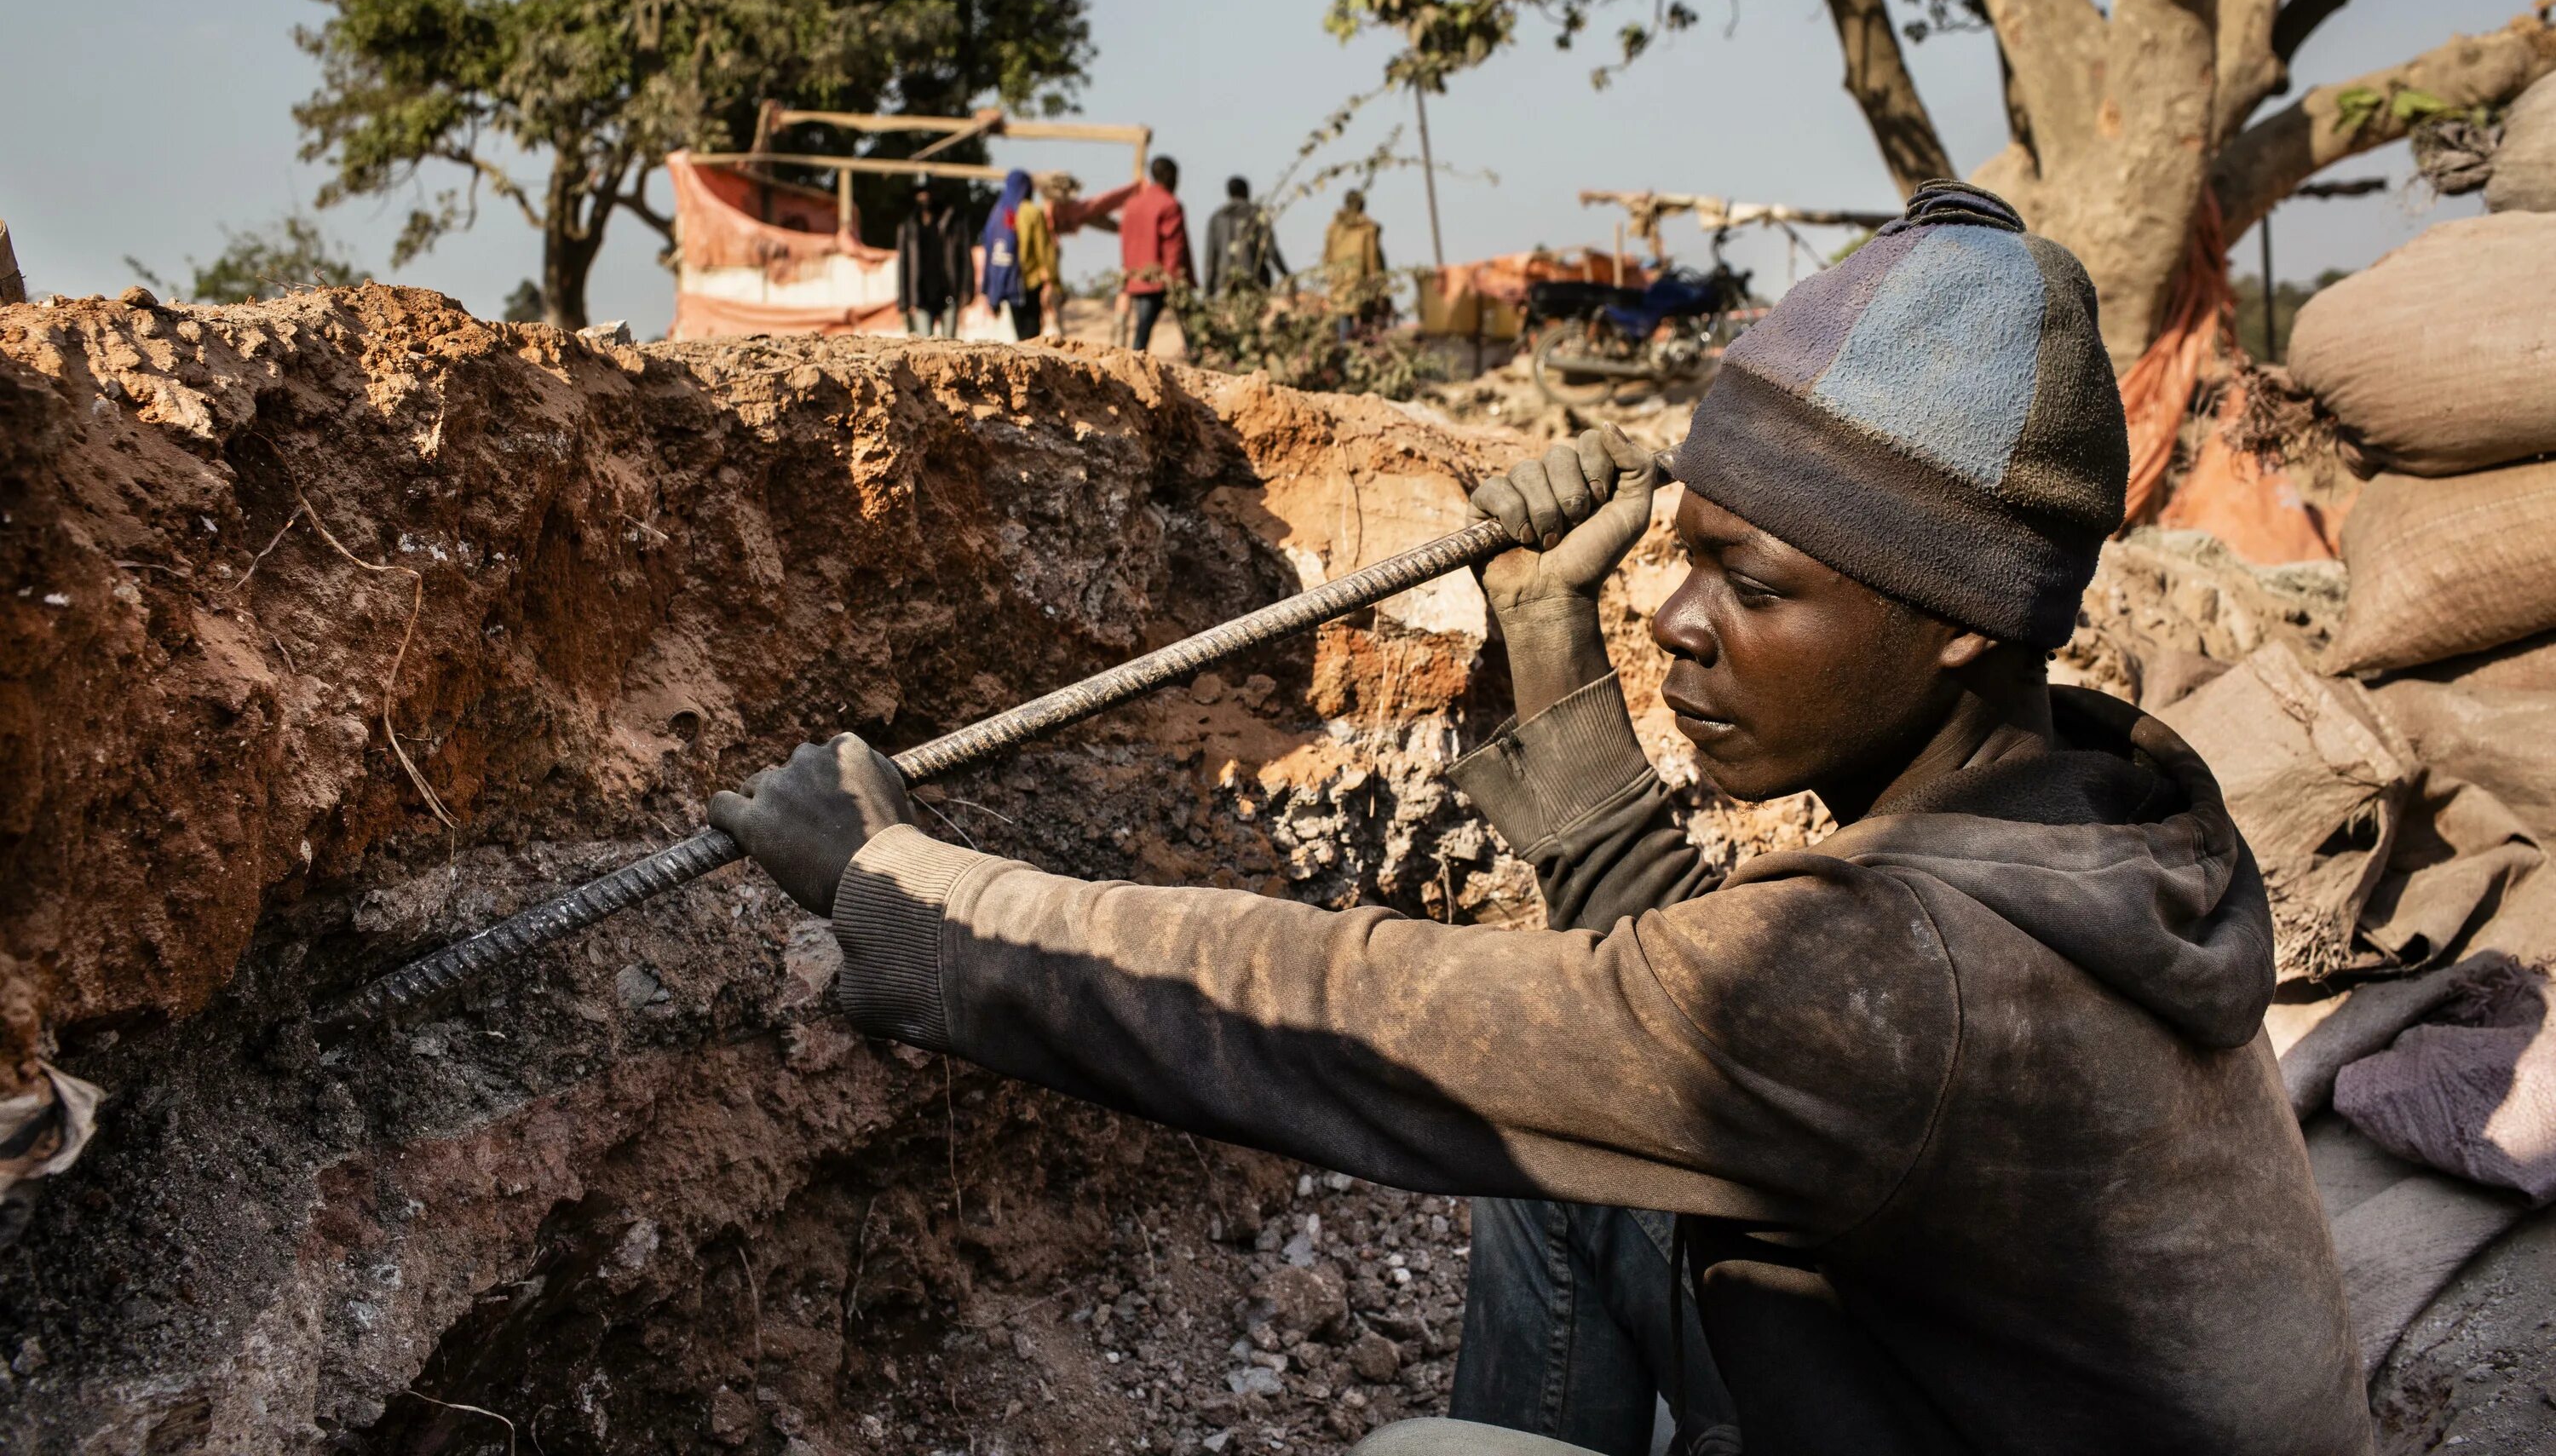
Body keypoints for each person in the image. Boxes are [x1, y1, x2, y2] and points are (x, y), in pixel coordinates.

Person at [709, 181, 2369, 1456]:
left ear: (1953, 622)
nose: (1683, 618)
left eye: (1755, 580)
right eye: (1687, 552)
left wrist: (903, 885)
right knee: (1570, 1179)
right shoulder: (2077, 792)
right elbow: (1677, 1013)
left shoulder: (1905, 980)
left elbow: (1354, 1015)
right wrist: (1548, 632)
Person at [1117, 155, 1194, 354]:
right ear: (1171, 176)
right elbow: (1174, 247)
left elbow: (1126, 241)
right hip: (1164, 278)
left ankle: (1133, 365)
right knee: (1191, 331)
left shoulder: (1132, 204)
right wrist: (1175, 279)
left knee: (1142, 331)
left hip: (1138, 277)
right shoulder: (1170, 205)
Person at [895, 183, 973, 337]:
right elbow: (903, 264)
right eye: (920, 193)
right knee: (925, 349)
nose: (925, 197)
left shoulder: (952, 224)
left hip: (949, 293)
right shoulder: (909, 226)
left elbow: (965, 257)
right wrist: (904, 300)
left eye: (928, 192)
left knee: (950, 347)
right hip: (921, 296)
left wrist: (966, 289)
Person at [978, 169, 1040, 342]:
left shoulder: (996, 214)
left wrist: (991, 289)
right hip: (1027, 282)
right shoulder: (1030, 211)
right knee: (1032, 334)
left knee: (1020, 331)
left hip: (1004, 282)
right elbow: (1043, 250)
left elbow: (990, 252)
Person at [1203, 175, 1287, 295]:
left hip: (1225, 283)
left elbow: (1210, 259)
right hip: (1254, 282)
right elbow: (1271, 249)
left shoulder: (1216, 218)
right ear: (1246, 192)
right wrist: (1286, 275)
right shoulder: (1256, 214)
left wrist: (1208, 291)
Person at [1323, 188, 1390, 334]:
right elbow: (1374, 262)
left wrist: (1332, 280)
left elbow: (1327, 259)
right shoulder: (1368, 229)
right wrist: (1380, 289)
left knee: (1344, 321)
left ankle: (1346, 351)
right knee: (1367, 330)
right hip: (1362, 286)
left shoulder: (1334, 229)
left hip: (1340, 284)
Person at [1015, 176, 1065, 342]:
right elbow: (1043, 252)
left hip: (1018, 280)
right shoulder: (1034, 214)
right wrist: (1054, 282)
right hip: (1036, 281)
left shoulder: (1012, 211)